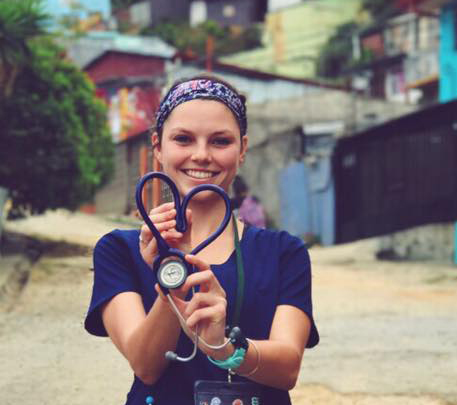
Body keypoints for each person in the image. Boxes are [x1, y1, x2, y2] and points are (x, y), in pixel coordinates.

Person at [85, 76, 319, 405]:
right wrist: (172, 276)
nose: (201, 155)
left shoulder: (284, 252)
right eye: (183, 139)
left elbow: (288, 369)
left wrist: (223, 347)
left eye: (220, 141)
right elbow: (146, 366)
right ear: (157, 147)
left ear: (243, 150)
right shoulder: (118, 250)